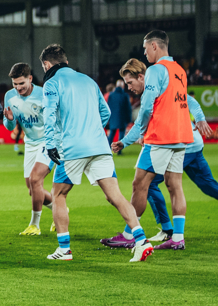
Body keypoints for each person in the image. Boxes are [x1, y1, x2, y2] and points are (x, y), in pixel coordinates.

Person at [38, 44, 149, 262]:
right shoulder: (89, 80)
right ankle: (141, 240)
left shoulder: (52, 83)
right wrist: (92, 129)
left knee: (59, 194)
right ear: (66, 62)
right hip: (99, 146)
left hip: (72, 147)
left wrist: (51, 144)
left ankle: (64, 249)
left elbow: (49, 114)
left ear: (47, 65)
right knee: (115, 195)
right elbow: (105, 112)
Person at [133, 76, 218, 241]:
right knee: (209, 185)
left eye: (129, 82)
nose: (129, 87)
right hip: (194, 142)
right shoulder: (168, 89)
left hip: (183, 145)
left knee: (149, 183)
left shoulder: (154, 94)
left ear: (141, 78)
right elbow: (191, 103)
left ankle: (167, 230)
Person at [105, 30, 194, 253]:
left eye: (145, 49)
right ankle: (178, 237)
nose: (144, 53)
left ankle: (129, 234)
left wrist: (127, 140)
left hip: (160, 137)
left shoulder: (155, 70)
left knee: (139, 185)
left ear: (155, 46)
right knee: (175, 186)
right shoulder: (179, 71)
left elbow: (146, 108)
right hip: (181, 135)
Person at [2, 62, 54, 236]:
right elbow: (9, 127)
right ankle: (58, 208)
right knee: (32, 188)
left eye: (21, 83)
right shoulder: (10, 96)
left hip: (48, 140)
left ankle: (34, 224)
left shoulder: (44, 94)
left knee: (35, 179)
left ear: (30, 79)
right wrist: (9, 119)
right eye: (15, 84)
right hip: (30, 143)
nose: (18, 88)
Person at [105, 79, 132, 152]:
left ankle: (107, 149)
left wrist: (108, 118)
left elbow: (108, 107)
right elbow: (128, 108)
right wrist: (129, 119)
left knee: (111, 134)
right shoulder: (125, 95)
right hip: (122, 118)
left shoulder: (111, 95)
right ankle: (119, 150)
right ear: (123, 86)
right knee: (121, 134)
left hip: (113, 118)